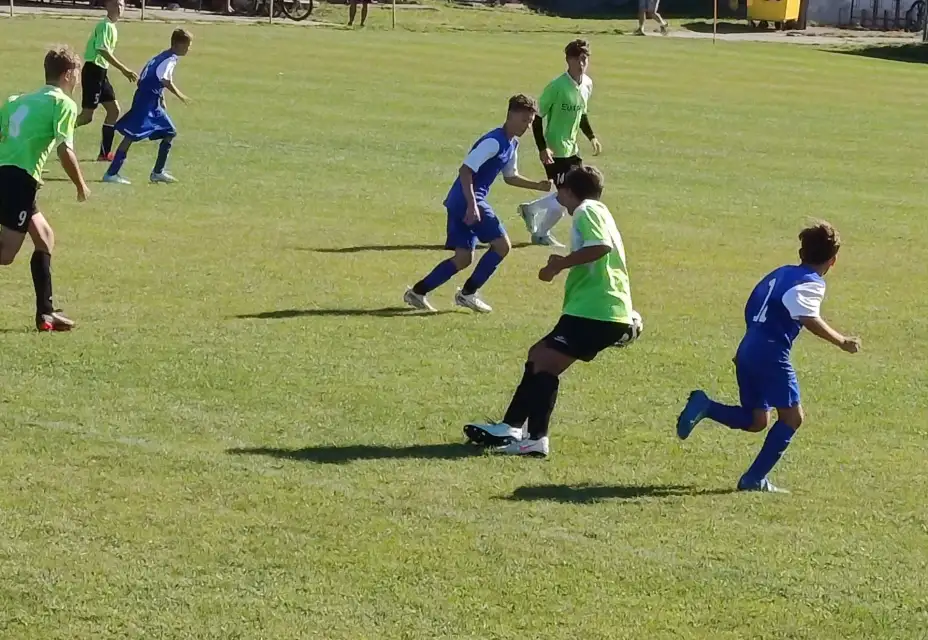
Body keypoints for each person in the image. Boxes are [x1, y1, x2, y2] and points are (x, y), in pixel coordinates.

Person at [465, 166, 641, 457]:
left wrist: (560, 264)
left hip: (594, 310)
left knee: (544, 362)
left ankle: (535, 439)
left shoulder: (586, 211)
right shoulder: (600, 210)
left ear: (569, 192)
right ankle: (512, 428)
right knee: (539, 356)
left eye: (561, 190)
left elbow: (600, 247)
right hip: (595, 309)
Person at [676, 222, 861, 493]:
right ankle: (754, 479)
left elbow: (753, 303)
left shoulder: (780, 273)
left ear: (801, 251)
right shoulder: (812, 283)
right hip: (772, 354)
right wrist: (842, 341)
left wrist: (754, 337)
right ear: (833, 261)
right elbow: (808, 317)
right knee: (792, 418)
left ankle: (705, 406)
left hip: (748, 347)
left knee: (757, 420)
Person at [403, 94, 551, 314]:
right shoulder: (493, 141)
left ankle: (417, 292)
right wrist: (472, 205)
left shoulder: (512, 143)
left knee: (463, 258)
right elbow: (465, 170)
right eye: (523, 120)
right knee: (502, 245)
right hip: (468, 200)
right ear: (510, 115)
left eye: (529, 122)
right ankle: (468, 293)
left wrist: (537, 185)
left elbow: (510, 176)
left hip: (459, 201)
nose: (527, 126)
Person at [0, 46, 91, 331]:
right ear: (67, 74)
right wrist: (81, 185)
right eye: (76, 75)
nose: (77, 82)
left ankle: (46, 315)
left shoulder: (16, 100)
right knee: (5, 255)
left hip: (13, 176)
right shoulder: (63, 103)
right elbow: (65, 150)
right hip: (18, 180)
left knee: (45, 237)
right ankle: (46, 315)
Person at [517, 39, 601, 249]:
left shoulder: (587, 85)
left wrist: (591, 136)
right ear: (569, 60)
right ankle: (541, 233)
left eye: (585, 59)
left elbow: (582, 114)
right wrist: (542, 148)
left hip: (572, 148)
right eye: (578, 59)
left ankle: (532, 211)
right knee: (567, 196)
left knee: (575, 191)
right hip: (555, 150)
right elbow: (537, 117)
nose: (582, 63)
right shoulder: (557, 86)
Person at [104, 29, 193, 185]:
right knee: (130, 136)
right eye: (187, 45)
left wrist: (160, 97)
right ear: (178, 44)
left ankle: (157, 172)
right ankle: (111, 173)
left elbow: (147, 79)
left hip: (151, 101)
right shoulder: (170, 59)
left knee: (170, 131)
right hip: (145, 102)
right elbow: (165, 80)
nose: (189, 49)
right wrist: (180, 95)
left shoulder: (161, 56)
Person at [76, 0, 139, 162]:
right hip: (93, 71)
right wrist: (124, 69)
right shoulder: (104, 25)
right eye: (115, 4)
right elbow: (102, 50)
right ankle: (54, 130)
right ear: (108, 6)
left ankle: (104, 154)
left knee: (114, 110)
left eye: (122, 4)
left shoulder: (112, 26)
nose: (119, 7)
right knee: (86, 117)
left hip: (101, 72)